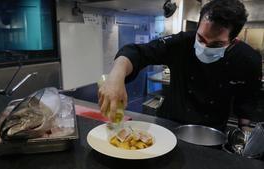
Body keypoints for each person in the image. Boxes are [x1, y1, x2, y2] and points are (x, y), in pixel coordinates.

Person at [98, 0, 262, 130]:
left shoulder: (248, 59)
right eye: (201, 39)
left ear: (234, 41)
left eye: (216, 44)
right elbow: (139, 52)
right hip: (169, 123)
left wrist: (244, 130)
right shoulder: (182, 42)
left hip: (211, 130)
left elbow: (247, 99)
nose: (205, 47)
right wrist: (115, 76)